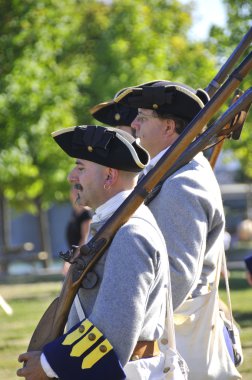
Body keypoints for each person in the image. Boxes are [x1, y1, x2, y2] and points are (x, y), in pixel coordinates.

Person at [92, 80, 242, 379]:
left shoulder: (181, 184)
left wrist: (133, 323)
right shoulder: (175, 172)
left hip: (174, 336)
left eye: (144, 118)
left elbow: (176, 276)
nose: (134, 124)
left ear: (168, 127)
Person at [17, 125, 169, 380]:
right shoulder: (114, 225)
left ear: (109, 176)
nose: (71, 177)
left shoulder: (130, 233)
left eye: (81, 168)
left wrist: (49, 365)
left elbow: (115, 328)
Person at [63, 186, 92, 275]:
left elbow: (84, 239)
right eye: (72, 192)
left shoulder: (86, 214)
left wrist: (73, 260)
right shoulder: (74, 213)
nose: (74, 194)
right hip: (74, 256)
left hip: (81, 259)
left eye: (76, 192)